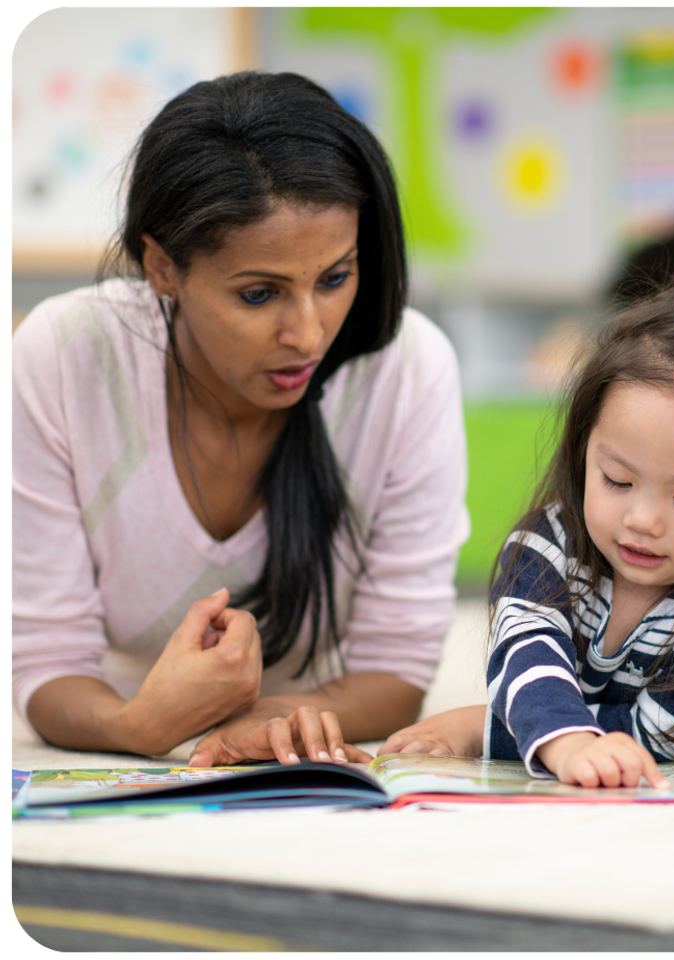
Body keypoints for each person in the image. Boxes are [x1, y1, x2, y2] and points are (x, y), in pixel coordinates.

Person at [11, 72, 468, 765]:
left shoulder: (408, 370)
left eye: (335, 278)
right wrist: (141, 725)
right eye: (260, 294)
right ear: (162, 266)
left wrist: (262, 722)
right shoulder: (65, 355)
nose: (309, 334)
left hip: (309, 760)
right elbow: (46, 666)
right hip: (126, 744)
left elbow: (396, 674)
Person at [380, 287, 674, 787]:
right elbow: (526, 652)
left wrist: (483, 728)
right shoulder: (548, 543)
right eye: (617, 480)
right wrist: (567, 740)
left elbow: (664, 738)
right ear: (583, 453)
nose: (643, 520)